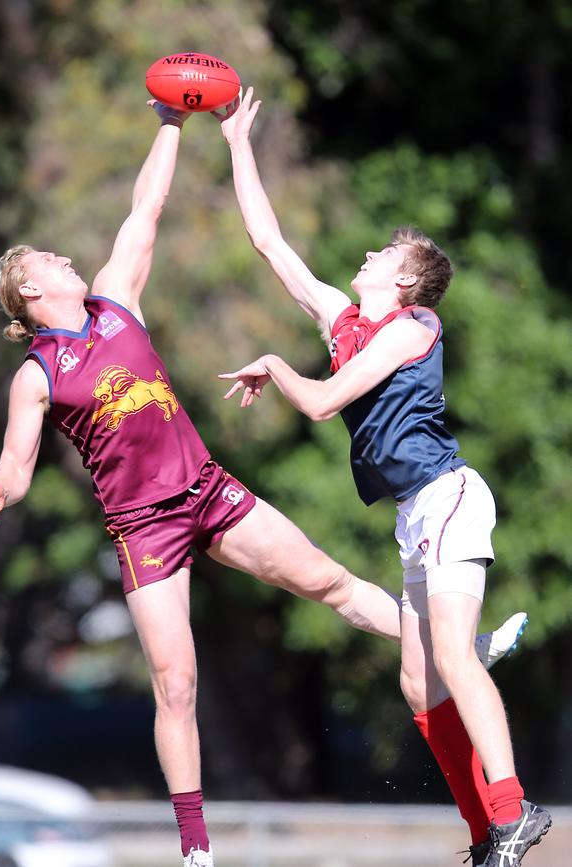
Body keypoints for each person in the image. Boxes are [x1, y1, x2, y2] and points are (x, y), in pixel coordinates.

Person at [0, 99, 523, 867]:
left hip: (207, 488)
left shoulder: (116, 298)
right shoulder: (37, 374)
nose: (64, 260)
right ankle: (196, 848)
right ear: (28, 295)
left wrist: (172, 122)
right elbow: (18, 466)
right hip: (142, 525)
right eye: (47, 264)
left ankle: (467, 662)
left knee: (331, 582)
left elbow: (148, 205)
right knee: (178, 681)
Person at [218, 88, 551, 867]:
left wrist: (275, 364)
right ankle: (487, 837)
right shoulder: (345, 320)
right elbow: (270, 245)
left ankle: (514, 809)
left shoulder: (412, 327)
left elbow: (327, 402)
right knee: (417, 684)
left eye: (385, 256)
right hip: (414, 511)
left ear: (405, 283)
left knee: (457, 660)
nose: (368, 254)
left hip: (450, 497)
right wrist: (237, 143)